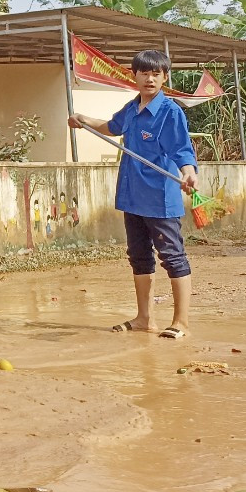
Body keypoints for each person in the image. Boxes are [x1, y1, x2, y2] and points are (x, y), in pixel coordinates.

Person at [68, 49, 198, 338]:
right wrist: (83, 119)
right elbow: (111, 128)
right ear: (134, 75)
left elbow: (182, 150)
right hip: (132, 196)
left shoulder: (170, 112)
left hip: (160, 199)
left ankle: (181, 323)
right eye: (144, 73)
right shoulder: (131, 108)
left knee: (173, 257)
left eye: (156, 74)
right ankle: (144, 318)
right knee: (139, 256)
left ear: (165, 77)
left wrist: (189, 171)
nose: (149, 78)